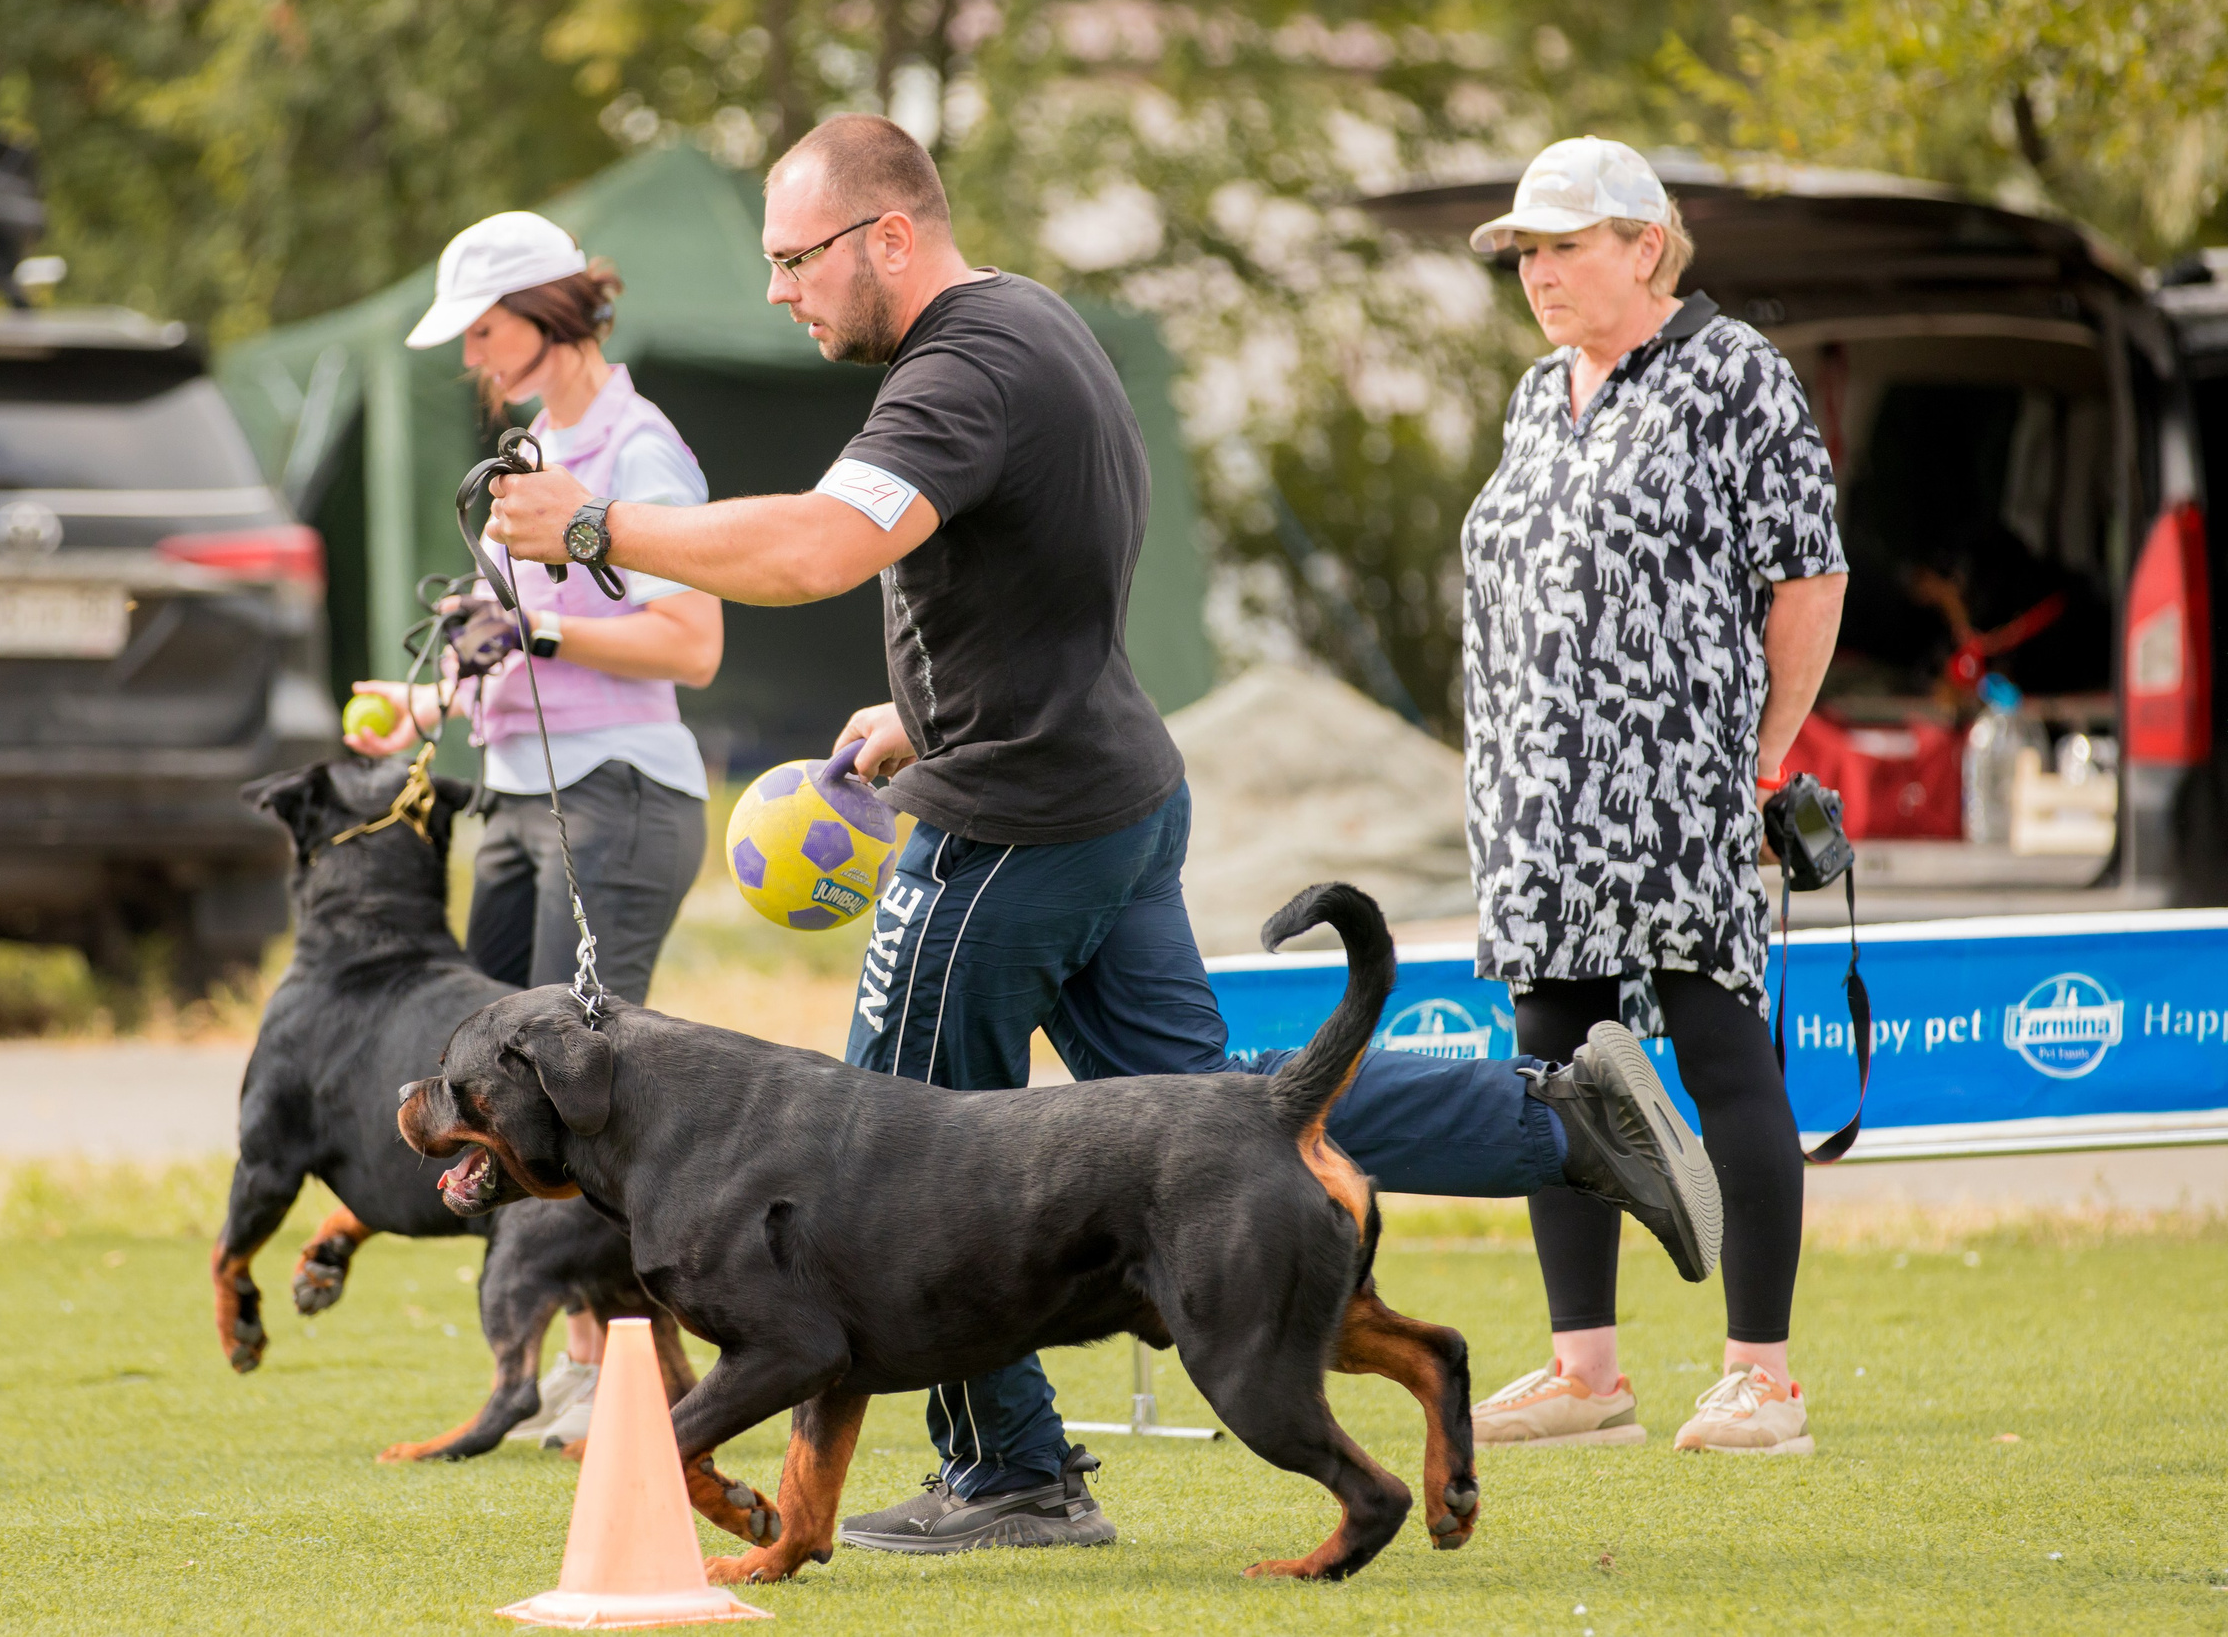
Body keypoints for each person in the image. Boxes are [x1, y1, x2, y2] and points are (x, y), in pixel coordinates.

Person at [483, 114, 1719, 1552]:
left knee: (882, 1176)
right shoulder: (1033, 325)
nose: (778, 291)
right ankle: (1558, 1116)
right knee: (1228, 1125)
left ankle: (1011, 1475)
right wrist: (918, 712)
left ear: (891, 235)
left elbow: (819, 550)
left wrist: (597, 531)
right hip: (1106, 787)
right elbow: (1047, 567)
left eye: (795, 259)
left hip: (1012, 829)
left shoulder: (953, 374)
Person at [1457, 136, 1849, 1455]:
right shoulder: (1533, 393)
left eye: (1566, 246)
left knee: (1723, 1056)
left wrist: (1763, 755)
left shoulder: (1739, 374)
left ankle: (1763, 1379)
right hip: (1536, 801)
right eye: (1527, 251)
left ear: (1645, 244)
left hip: (1681, 784)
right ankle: (1587, 1374)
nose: (1541, 273)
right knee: (1555, 1073)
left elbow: (1809, 574)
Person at [349, 210, 724, 1451]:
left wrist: (543, 631)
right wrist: (424, 700)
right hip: (520, 795)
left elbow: (692, 641)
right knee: (505, 1091)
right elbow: (502, 649)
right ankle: (586, 1370)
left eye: (485, 329)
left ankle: (626, 1380)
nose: (470, 355)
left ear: (552, 318)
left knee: (588, 1097)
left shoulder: (637, 450)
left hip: (616, 795)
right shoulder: (535, 454)